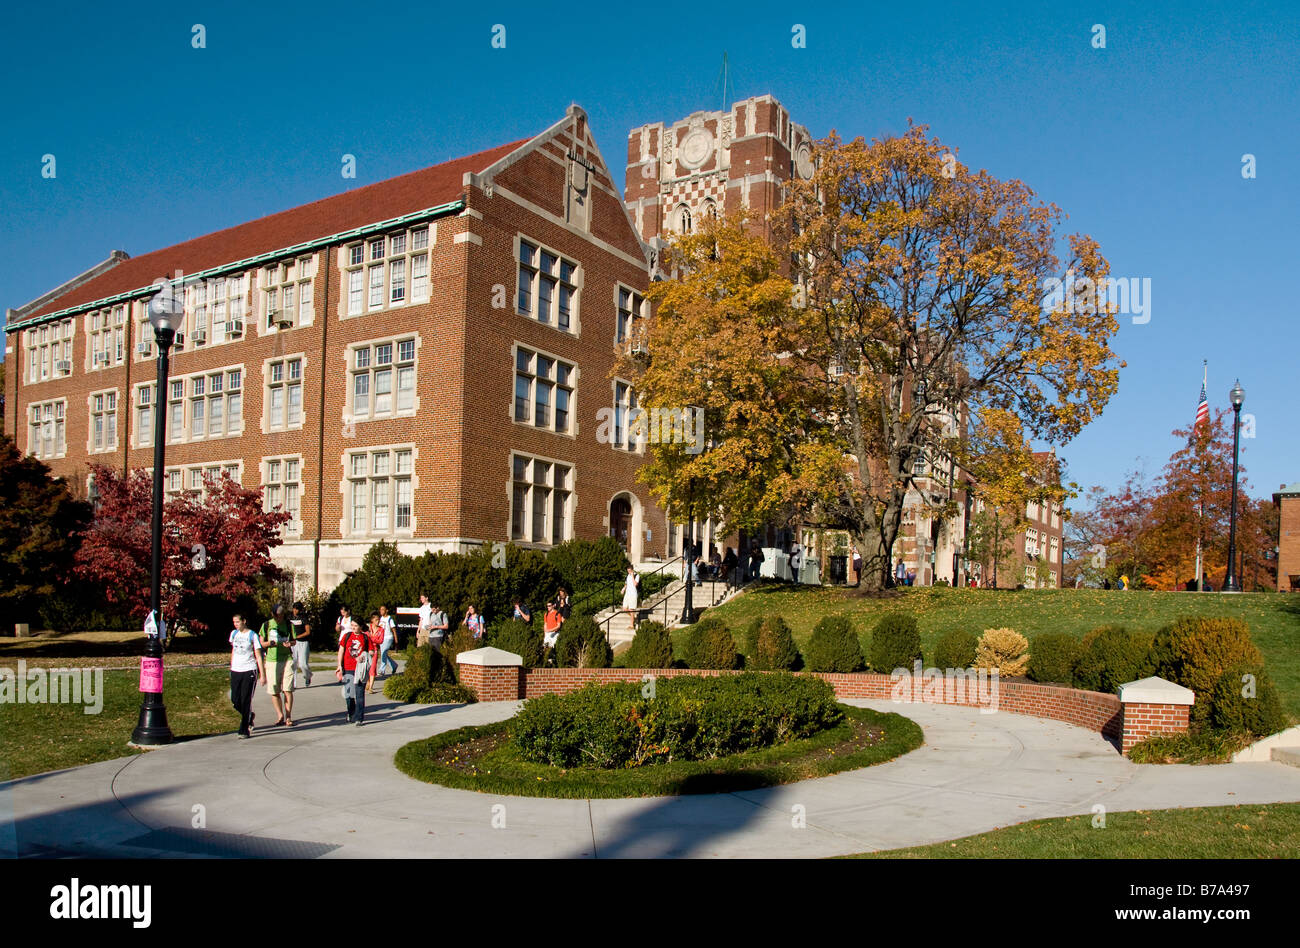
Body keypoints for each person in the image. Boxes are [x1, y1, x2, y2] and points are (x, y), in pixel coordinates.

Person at [229, 613, 265, 739]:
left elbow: (258, 655)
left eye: (238, 622)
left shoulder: (252, 635)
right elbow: (233, 650)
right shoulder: (234, 634)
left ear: (244, 621)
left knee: (245, 700)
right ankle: (249, 715)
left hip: (249, 670)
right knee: (235, 700)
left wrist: (262, 674)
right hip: (236, 670)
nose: (236, 624)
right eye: (234, 622)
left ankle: (244, 729)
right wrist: (231, 665)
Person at [260, 604, 295, 727]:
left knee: (287, 689)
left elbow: (294, 640)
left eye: (280, 616)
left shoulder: (289, 624)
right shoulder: (267, 625)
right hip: (272, 660)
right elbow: (261, 643)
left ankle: (288, 716)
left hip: (287, 658)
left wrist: (289, 643)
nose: (278, 618)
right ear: (272, 615)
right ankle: (280, 715)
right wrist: (269, 643)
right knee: (274, 690)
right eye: (276, 616)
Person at [336, 618, 376, 726]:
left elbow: (371, 651)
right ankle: (351, 712)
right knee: (349, 694)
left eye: (355, 625)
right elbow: (341, 650)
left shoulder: (365, 637)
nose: (353, 627)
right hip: (348, 668)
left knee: (359, 694)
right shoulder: (347, 636)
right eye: (352, 625)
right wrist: (339, 665)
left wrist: (365, 655)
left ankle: (359, 718)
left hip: (360, 670)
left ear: (361, 626)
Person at [289, 601, 312, 688]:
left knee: (303, 664)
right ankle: (293, 684)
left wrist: (297, 636)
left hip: (303, 642)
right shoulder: (290, 617)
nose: (295, 611)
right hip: (293, 643)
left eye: (297, 609)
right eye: (294, 609)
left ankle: (308, 676)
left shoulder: (304, 618)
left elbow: (308, 632)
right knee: (293, 663)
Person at [365, 613, 385, 693]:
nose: (378, 621)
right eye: (376, 620)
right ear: (372, 620)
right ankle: (368, 682)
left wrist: (372, 638)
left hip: (375, 650)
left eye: (378, 620)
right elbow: (364, 637)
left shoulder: (381, 630)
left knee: (373, 668)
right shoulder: (367, 628)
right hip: (366, 649)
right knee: (366, 667)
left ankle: (371, 687)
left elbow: (380, 640)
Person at [377, 604, 398, 678]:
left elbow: (393, 630)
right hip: (382, 638)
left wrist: (396, 639)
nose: (381, 611)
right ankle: (394, 665)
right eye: (380, 609)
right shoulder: (380, 619)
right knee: (384, 653)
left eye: (383, 609)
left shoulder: (390, 619)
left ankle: (382, 670)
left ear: (386, 610)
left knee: (383, 652)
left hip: (388, 638)